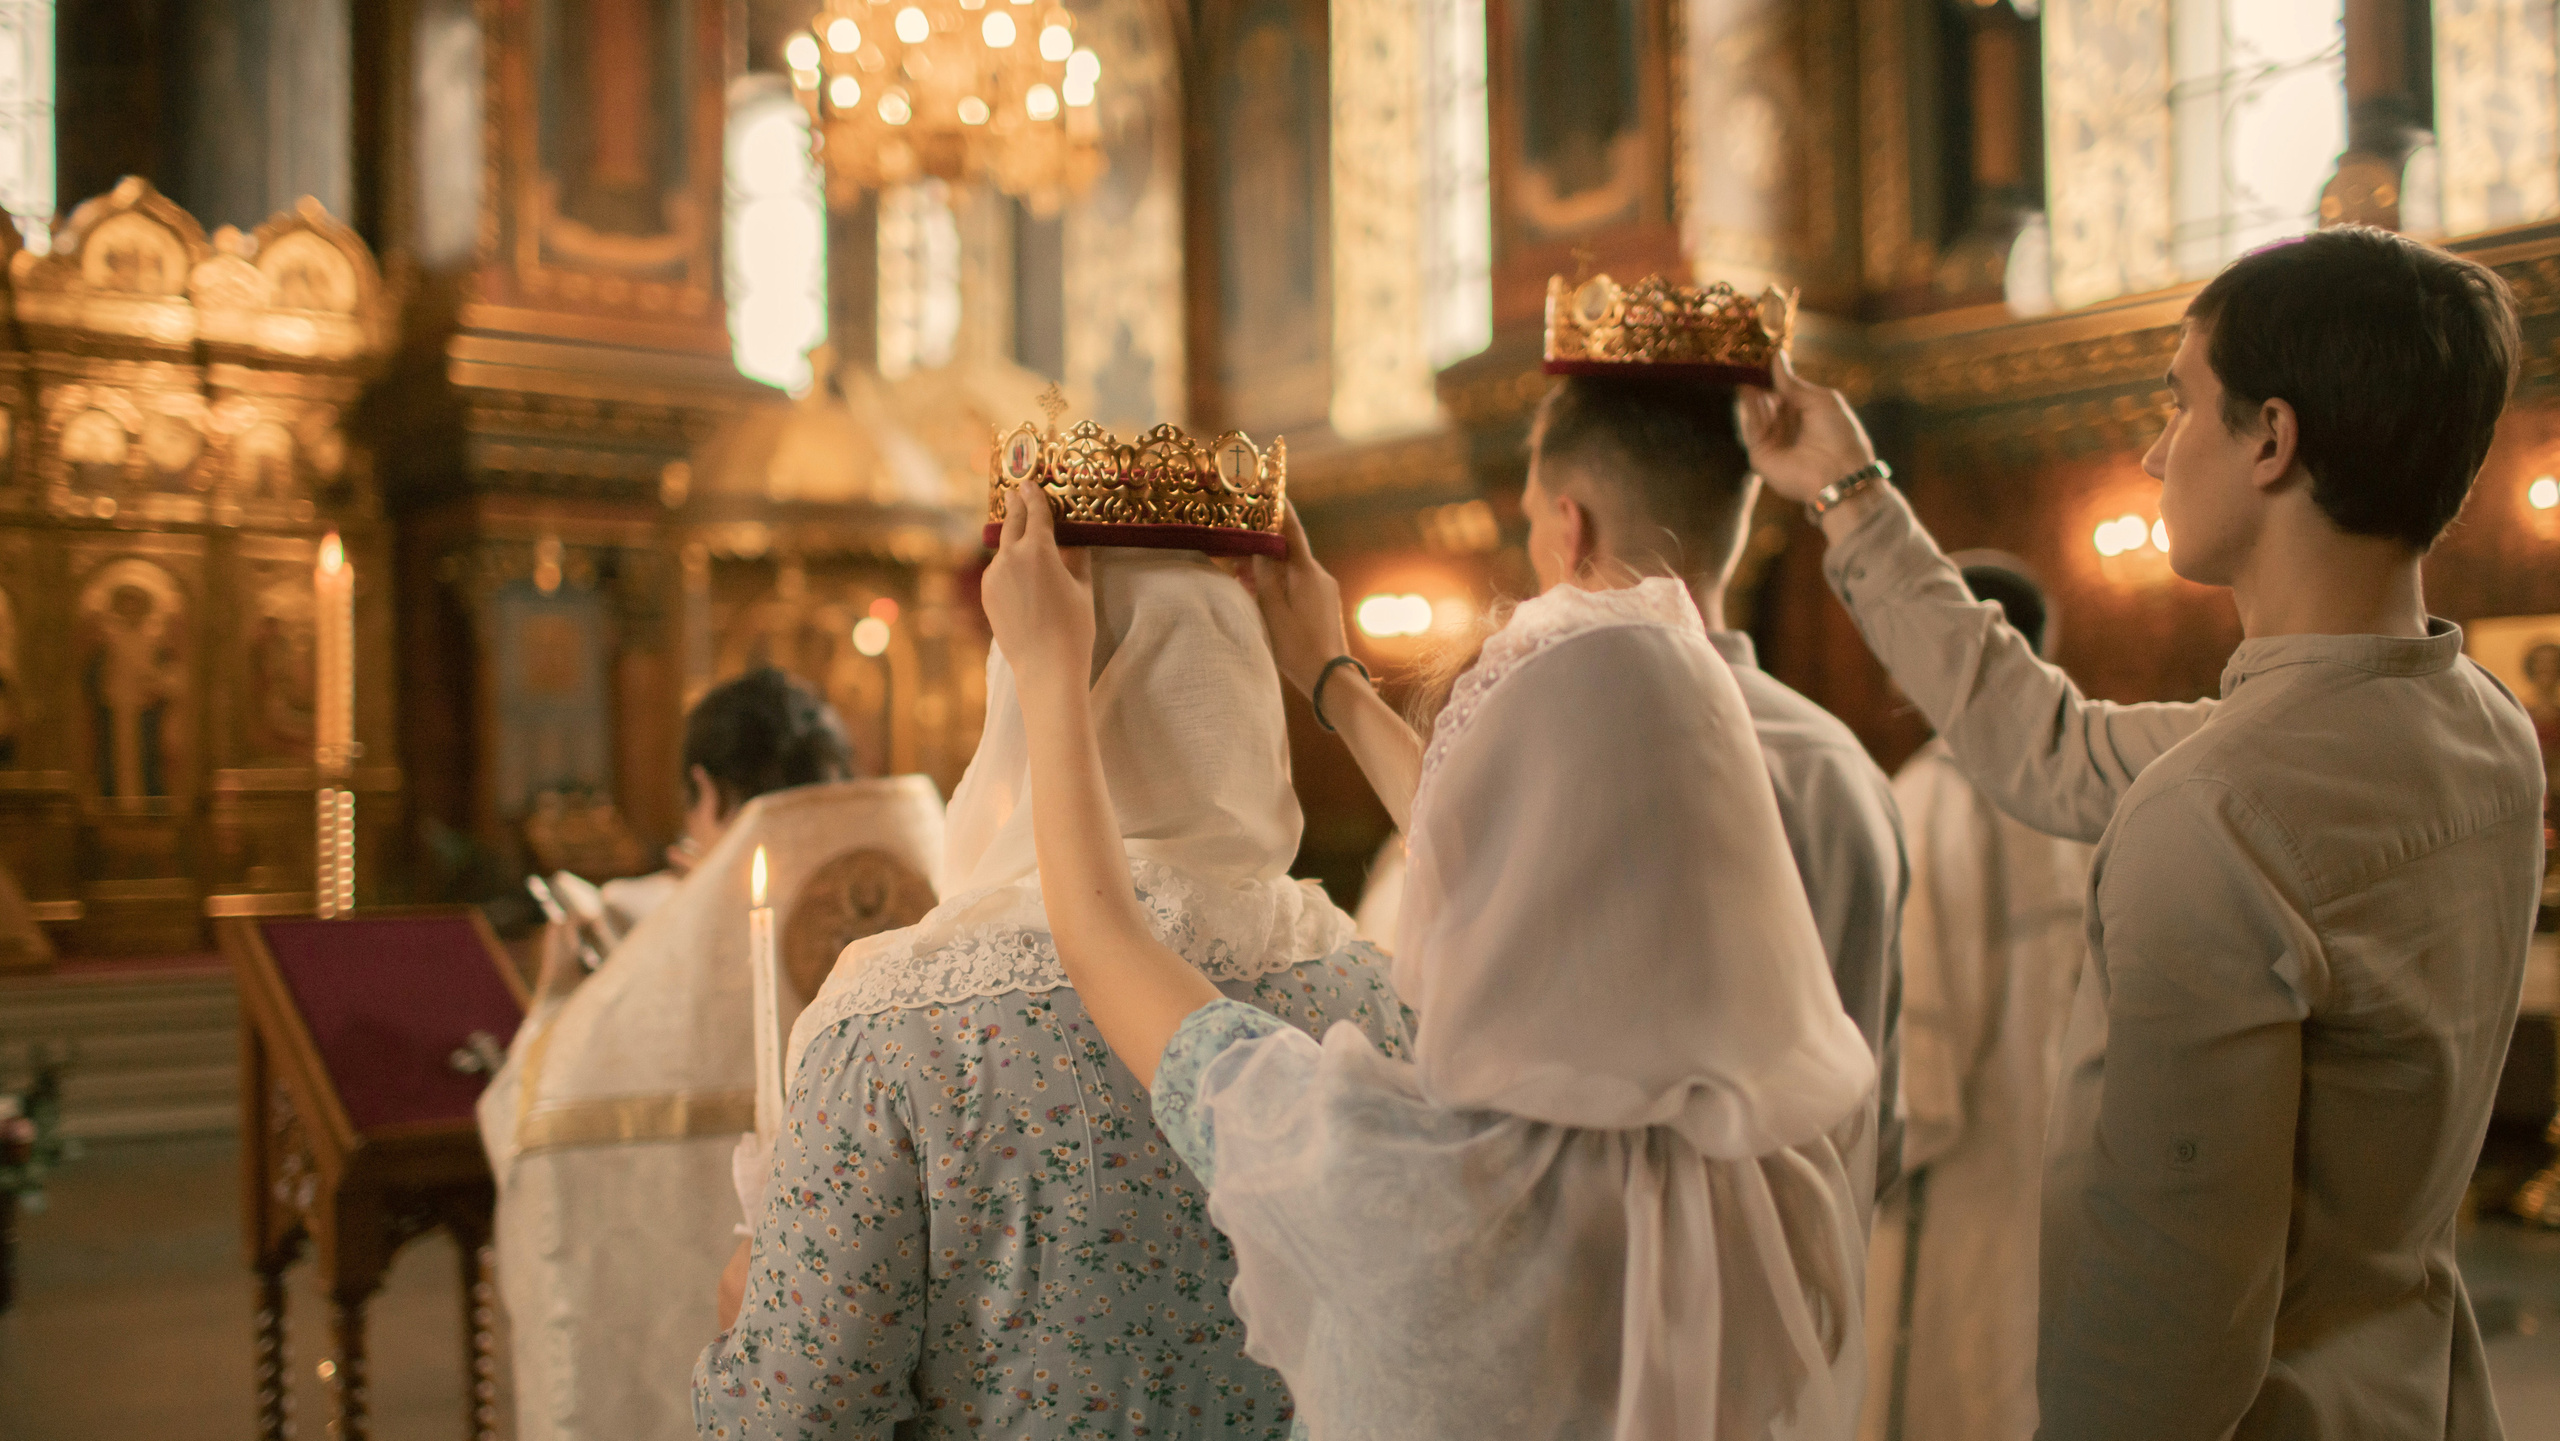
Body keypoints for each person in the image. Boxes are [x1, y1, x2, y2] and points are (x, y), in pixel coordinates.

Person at [1739, 226, 2545, 1439]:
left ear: (2270, 440)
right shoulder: (2482, 723)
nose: (2155, 449)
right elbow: (2047, 742)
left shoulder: (2215, 811)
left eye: (2178, 402)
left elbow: (2161, 1332)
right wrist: (1852, 492)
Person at [980, 477, 1878, 1439]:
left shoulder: (1414, 1185)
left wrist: (1051, 674)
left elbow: (1104, 939)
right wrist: (1332, 676)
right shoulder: (1781, 1169)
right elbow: (1517, 858)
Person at [693, 548, 1410, 1440]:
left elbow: (796, 1414)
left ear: (1014, 707)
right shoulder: (1383, 994)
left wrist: (745, 1327)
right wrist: (1339, 678)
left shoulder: (891, 1032)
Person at [479, 668, 945, 1441]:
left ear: (704, 787)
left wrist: (557, 993)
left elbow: (532, 1121)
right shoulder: (932, 868)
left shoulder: (654, 929)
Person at [1512, 373, 1910, 1201]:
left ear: (1569, 528)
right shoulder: (1846, 764)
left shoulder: (1578, 762)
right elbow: (1883, 1120)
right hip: (1834, 1254)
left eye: (1529, 522)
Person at [1858, 558, 2093, 1441]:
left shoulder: (1933, 798)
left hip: (1957, 1194)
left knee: (1946, 1394)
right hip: (2061, 1162)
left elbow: (1919, 1063)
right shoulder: (2082, 789)